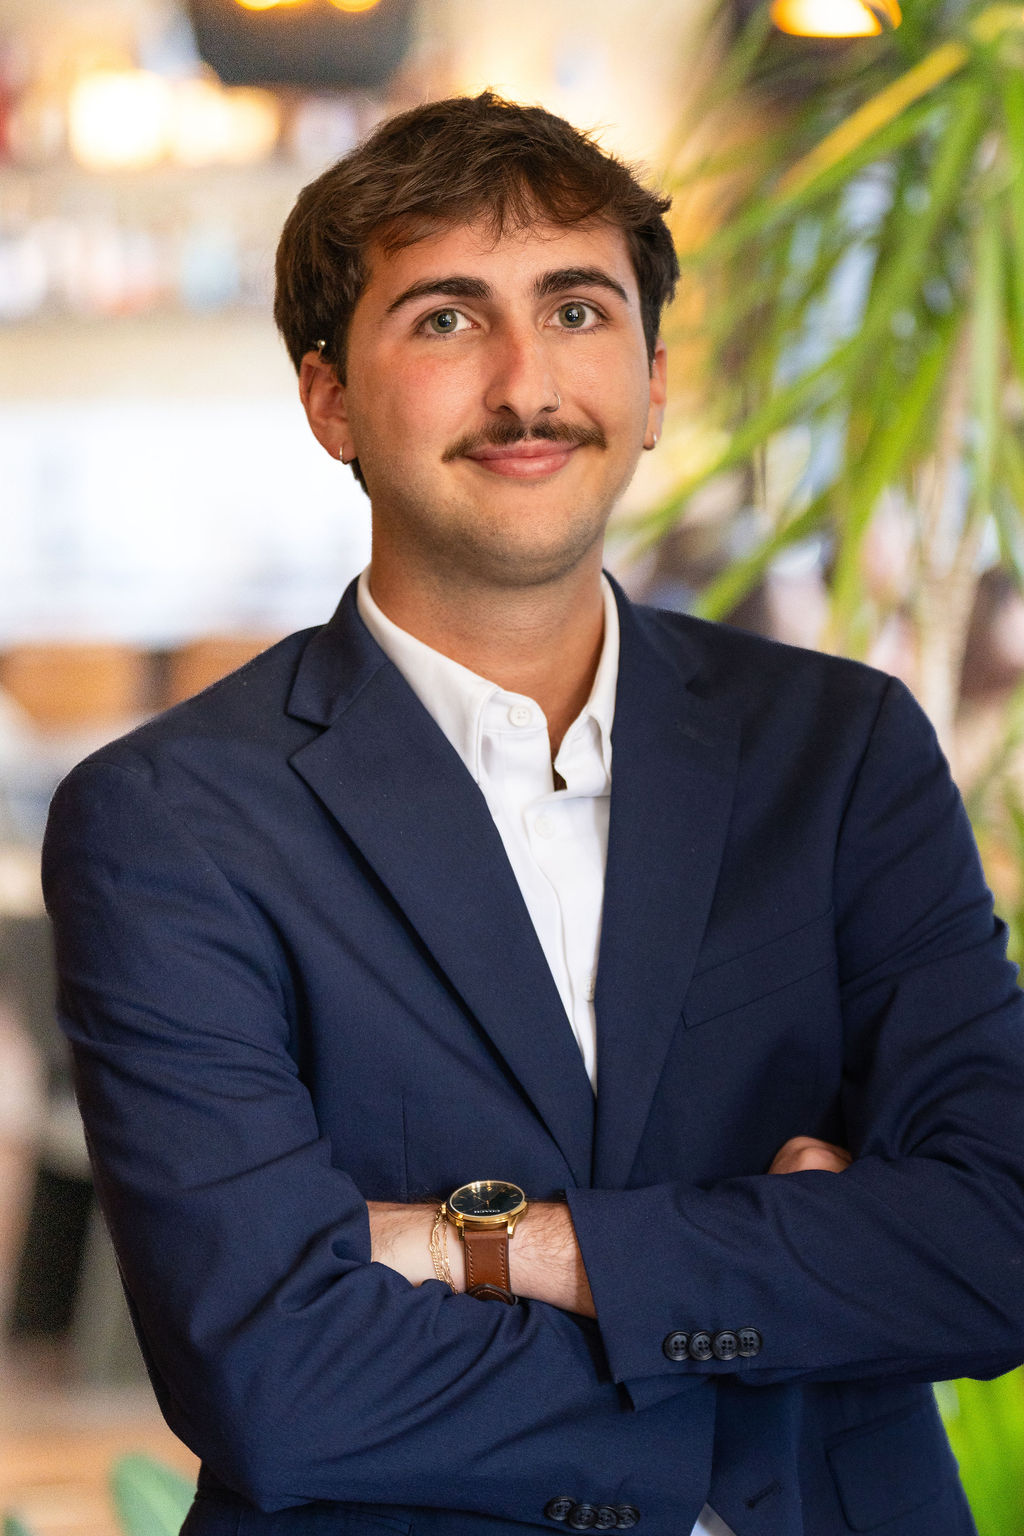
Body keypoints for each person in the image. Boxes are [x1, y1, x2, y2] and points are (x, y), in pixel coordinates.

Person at [42, 92, 1024, 1536]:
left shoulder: (840, 751)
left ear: (655, 381)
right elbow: (275, 1375)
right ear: (329, 399)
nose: (526, 383)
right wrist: (786, 1306)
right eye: (447, 319)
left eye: (576, 311)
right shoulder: (171, 821)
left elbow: (995, 1247)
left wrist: (495, 1250)